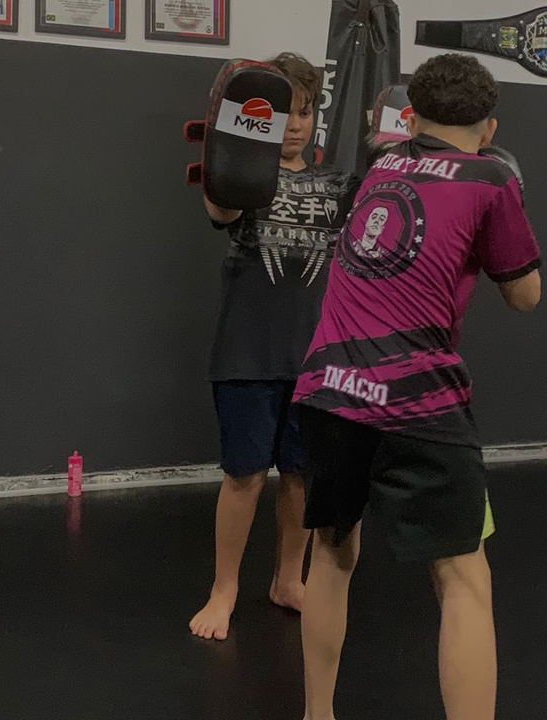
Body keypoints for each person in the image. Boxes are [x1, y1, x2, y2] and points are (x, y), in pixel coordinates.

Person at [293, 54, 542, 720]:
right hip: (418, 401)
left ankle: (317, 715)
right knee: (463, 577)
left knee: (332, 551)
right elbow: (525, 296)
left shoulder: (379, 168)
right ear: (489, 128)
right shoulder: (492, 177)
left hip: (329, 388)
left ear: (413, 118)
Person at [190, 53, 360, 642]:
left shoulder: (337, 184)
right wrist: (234, 144)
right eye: (284, 113)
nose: (295, 124)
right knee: (244, 475)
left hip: (313, 356)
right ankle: (224, 589)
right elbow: (220, 207)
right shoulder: (242, 176)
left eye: (305, 112)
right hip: (247, 351)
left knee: (300, 475)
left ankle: (289, 579)